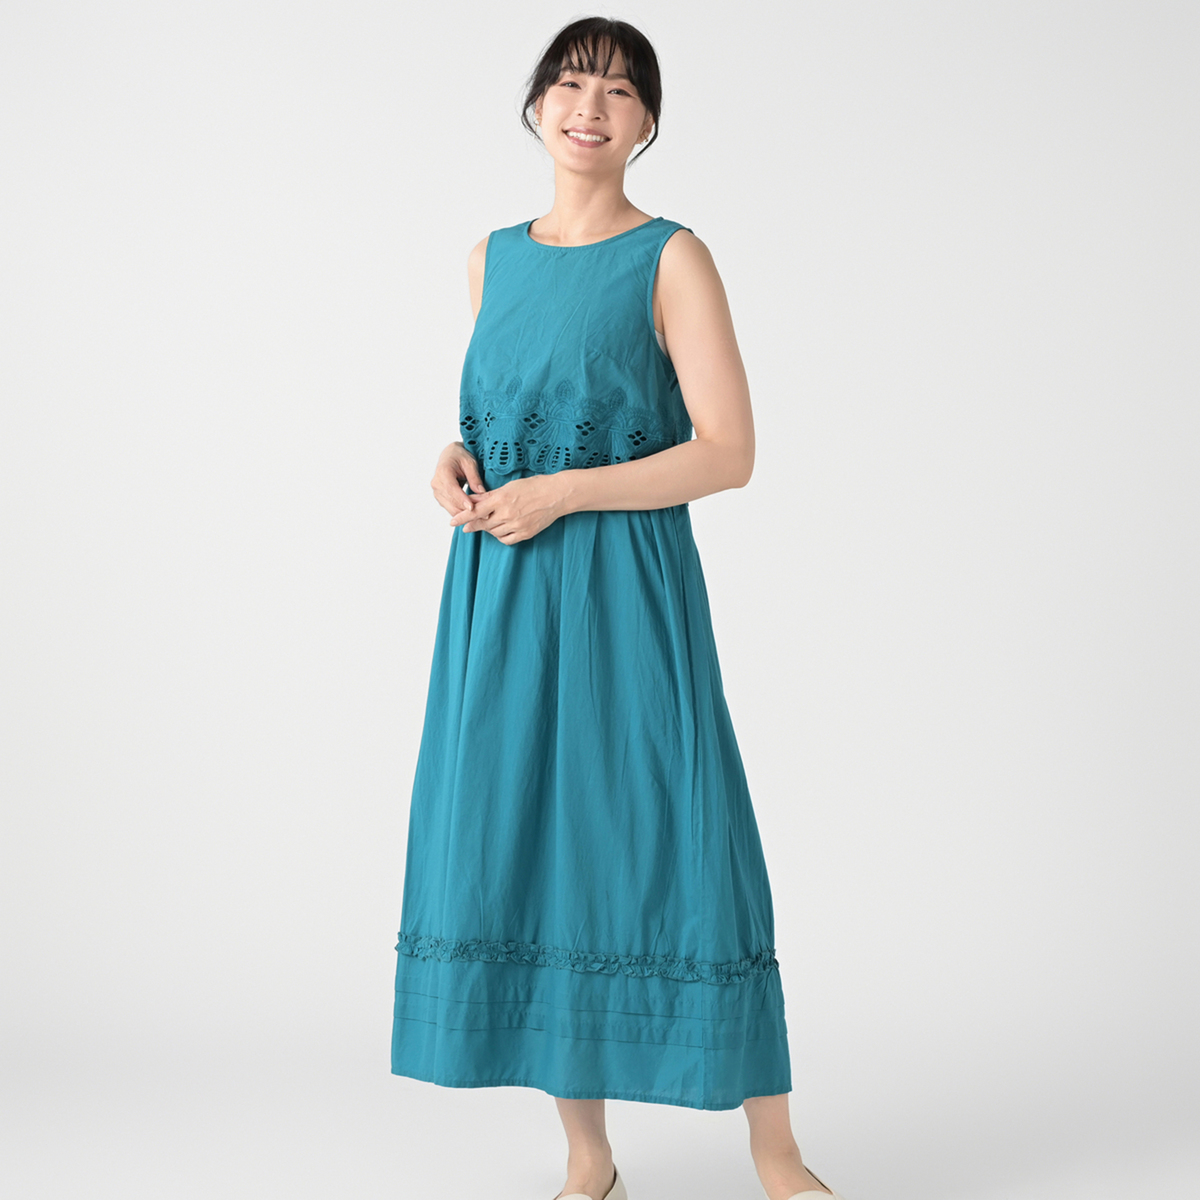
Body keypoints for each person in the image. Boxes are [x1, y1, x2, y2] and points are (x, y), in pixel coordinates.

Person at [391, 16, 848, 1200]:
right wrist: (452, 460)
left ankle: (777, 1155)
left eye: (620, 90)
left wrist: (563, 493)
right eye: (569, 81)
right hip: (500, 592)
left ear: (647, 124)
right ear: (536, 104)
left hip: (625, 593)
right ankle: (588, 1159)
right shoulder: (491, 258)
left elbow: (729, 452)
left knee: (687, 839)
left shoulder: (672, 257)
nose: (589, 105)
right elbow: (504, 413)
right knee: (534, 849)